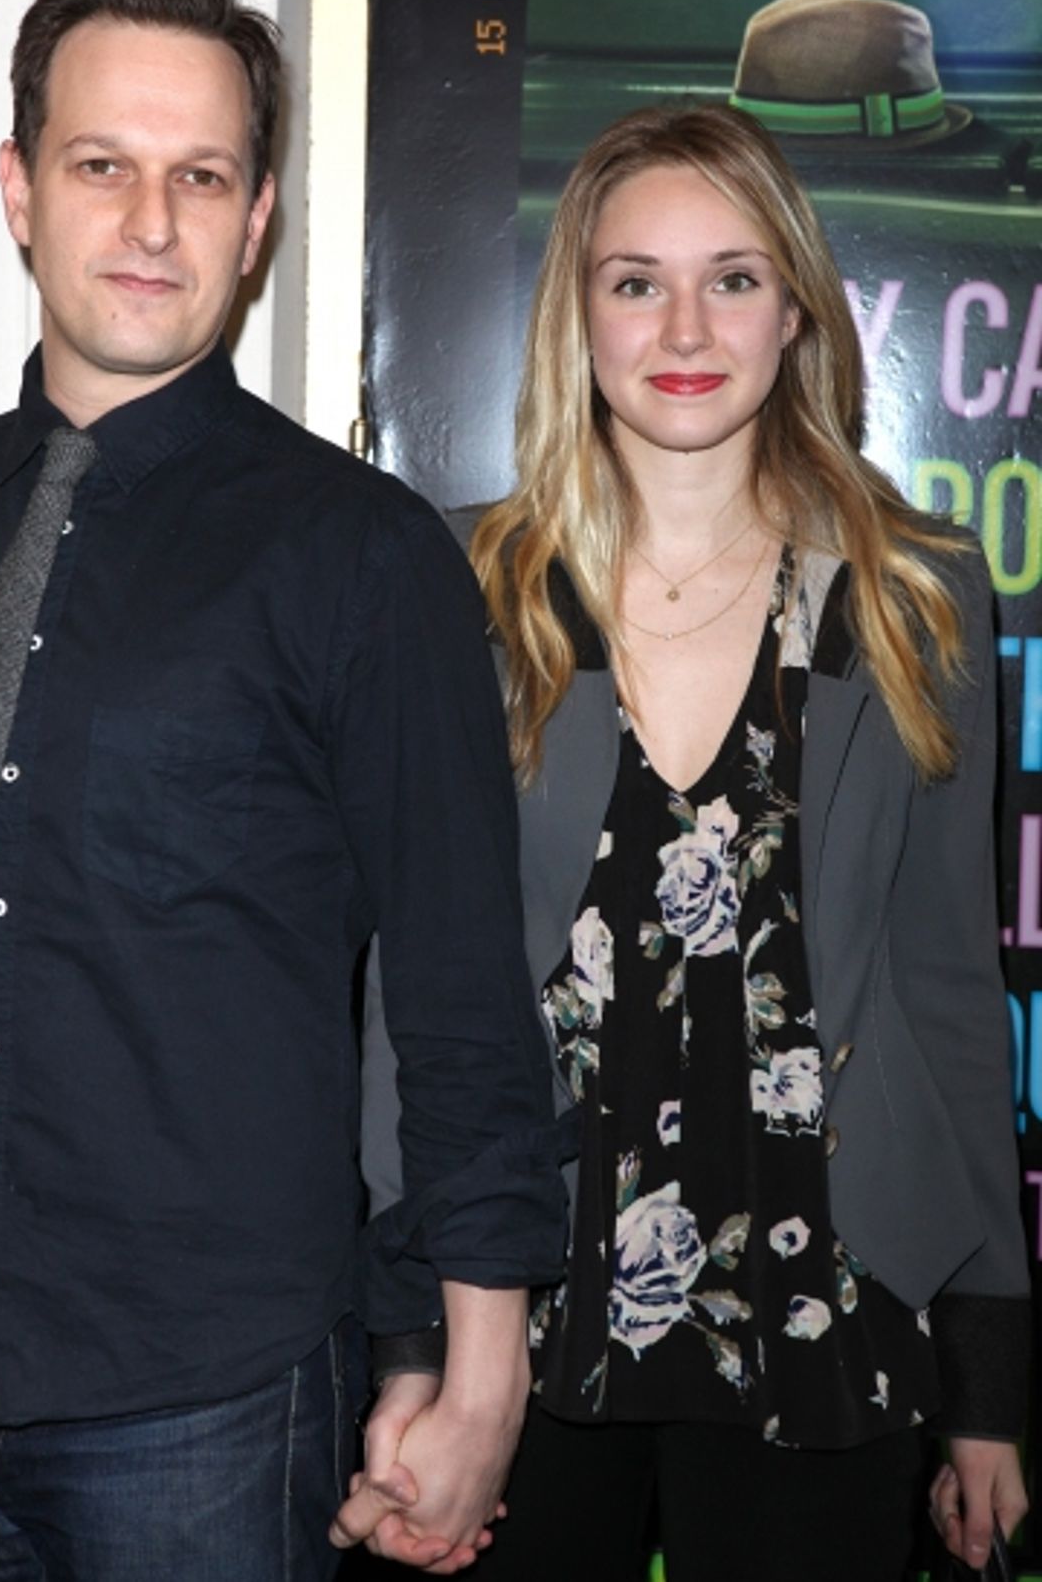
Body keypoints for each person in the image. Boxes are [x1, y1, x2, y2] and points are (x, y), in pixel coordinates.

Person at [0, 0, 568, 1581]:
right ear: (22, 190)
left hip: (206, 1412)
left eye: (202, 178)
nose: (151, 222)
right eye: (104, 166)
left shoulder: (363, 560)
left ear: (257, 224)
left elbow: (460, 994)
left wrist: (478, 1374)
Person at [338, 103, 1030, 1580]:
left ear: (796, 310)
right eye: (635, 280)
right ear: (576, 316)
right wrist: (409, 1339)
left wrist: (989, 1385)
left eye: (733, 276)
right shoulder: (470, 590)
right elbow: (412, 1003)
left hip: (828, 1305)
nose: (685, 325)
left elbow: (950, 996)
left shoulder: (915, 595)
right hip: (524, 1314)